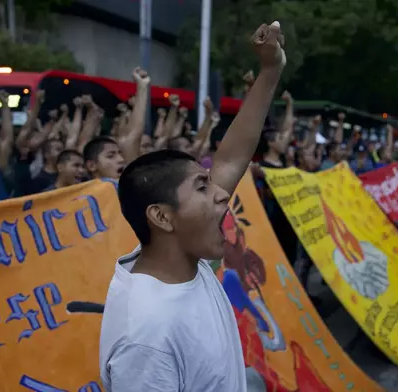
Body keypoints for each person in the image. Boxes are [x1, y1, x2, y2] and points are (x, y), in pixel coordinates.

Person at [99, 20, 286, 391]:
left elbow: (232, 159)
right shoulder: (146, 338)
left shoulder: (180, 259)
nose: (221, 192)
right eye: (202, 186)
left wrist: (271, 70)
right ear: (162, 217)